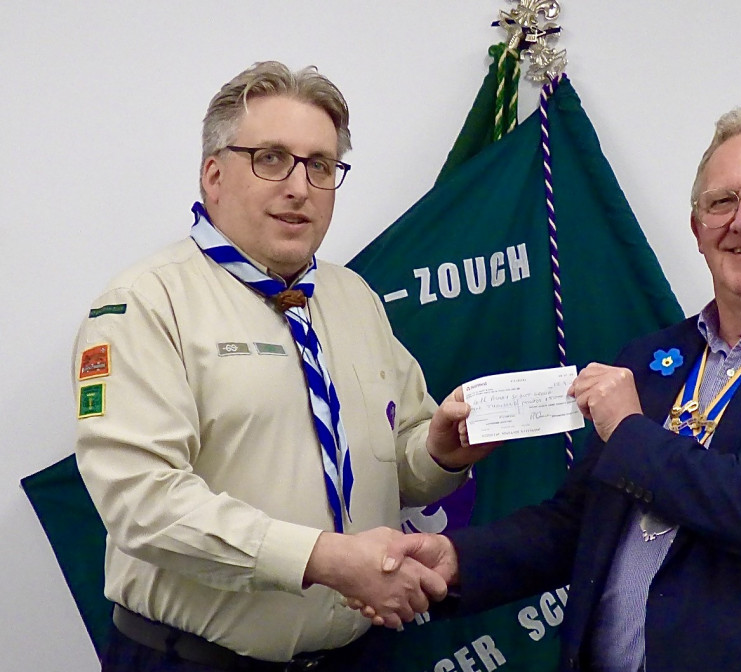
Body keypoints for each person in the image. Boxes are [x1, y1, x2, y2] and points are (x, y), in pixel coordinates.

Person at [369, 107, 741, 671]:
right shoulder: (651, 359)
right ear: (698, 229)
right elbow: (582, 522)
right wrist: (457, 559)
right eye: (721, 202)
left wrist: (631, 432)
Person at [74, 61, 494, 671]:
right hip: (196, 661)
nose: (299, 186)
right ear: (213, 175)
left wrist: (439, 451)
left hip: (359, 655)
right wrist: (321, 558)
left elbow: (398, 466)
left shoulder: (355, 300)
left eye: (320, 166)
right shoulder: (143, 304)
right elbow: (143, 502)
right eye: (271, 158)